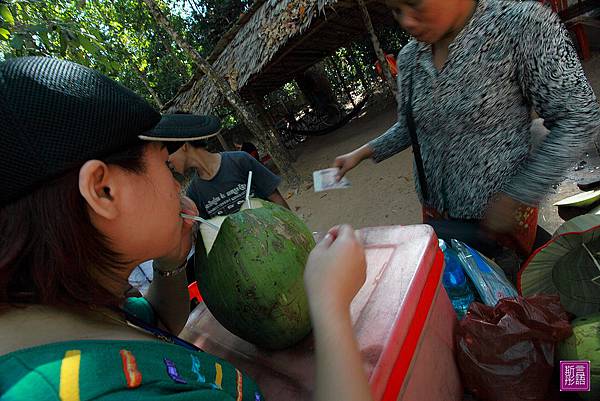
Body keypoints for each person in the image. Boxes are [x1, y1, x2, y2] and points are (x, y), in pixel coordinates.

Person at [0, 57, 372, 401]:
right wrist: (330, 306)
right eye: (165, 166)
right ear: (104, 191)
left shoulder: (63, 311)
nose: (177, 183)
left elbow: (156, 322)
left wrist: (171, 263)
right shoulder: (103, 390)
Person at [334, 0, 600, 260]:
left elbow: (578, 118)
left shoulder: (521, 25)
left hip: (501, 221)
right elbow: (410, 126)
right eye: (396, 10)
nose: (406, 22)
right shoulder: (409, 59)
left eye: (414, 4)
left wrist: (518, 195)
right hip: (436, 212)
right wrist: (361, 153)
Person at [169, 132, 290, 219]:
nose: (167, 161)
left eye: (168, 152)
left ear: (183, 145)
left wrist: (293, 230)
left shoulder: (240, 160)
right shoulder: (194, 193)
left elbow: (275, 197)